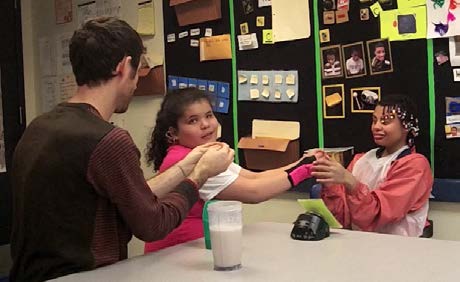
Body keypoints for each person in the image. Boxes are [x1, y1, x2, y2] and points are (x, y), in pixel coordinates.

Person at [9, 17, 234, 282]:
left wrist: (188, 164)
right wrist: (199, 176)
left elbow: (132, 197)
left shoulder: (41, 127)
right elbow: (153, 224)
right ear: (124, 66)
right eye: (138, 71)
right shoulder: (107, 140)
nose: (137, 83)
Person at [144, 88, 323, 253]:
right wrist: (305, 169)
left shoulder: (206, 151)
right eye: (193, 121)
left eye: (209, 115)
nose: (206, 124)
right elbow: (254, 192)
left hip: (193, 248)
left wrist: (303, 162)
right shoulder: (190, 159)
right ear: (173, 133)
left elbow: (254, 177)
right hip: (173, 254)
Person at [312, 95, 433, 237]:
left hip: (398, 249)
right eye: (374, 120)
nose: (376, 127)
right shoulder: (360, 160)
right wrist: (330, 182)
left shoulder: (415, 166)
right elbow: (342, 218)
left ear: (406, 126)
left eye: (385, 121)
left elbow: (376, 216)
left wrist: (350, 181)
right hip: (360, 244)